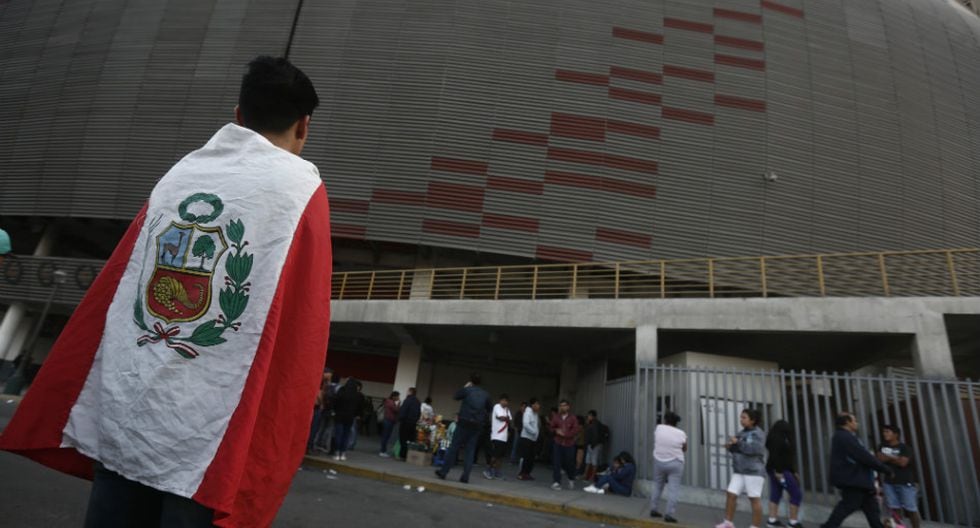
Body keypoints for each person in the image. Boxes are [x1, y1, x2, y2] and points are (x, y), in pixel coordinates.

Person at [0, 56, 331, 528]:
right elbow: (302, 321)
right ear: (304, 126)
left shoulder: (180, 175)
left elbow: (122, 285)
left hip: (129, 413)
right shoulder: (301, 188)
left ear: (238, 114)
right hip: (202, 435)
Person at [820, 412, 893, 528]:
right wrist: (884, 468)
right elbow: (863, 455)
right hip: (853, 480)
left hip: (861, 481)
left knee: (872, 512)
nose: (857, 423)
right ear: (847, 422)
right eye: (854, 421)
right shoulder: (844, 437)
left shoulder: (846, 437)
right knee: (847, 506)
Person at [435, 373, 492, 483]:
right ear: (480, 382)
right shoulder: (485, 394)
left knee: (453, 447)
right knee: (470, 451)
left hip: (463, 422)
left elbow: (455, 396)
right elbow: (489, 409)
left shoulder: (467, 390)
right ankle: (465, 477)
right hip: (476, 425)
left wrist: (465, 387)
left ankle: (443, 472)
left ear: (471, 381)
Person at [716, 409, 767, 528]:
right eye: (741, 417)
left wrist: (737, 443)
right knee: (731, 494)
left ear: (753, 420)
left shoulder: (758, 434)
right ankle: (728, 523)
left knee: (754, 499)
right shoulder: (741, 433)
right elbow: (738, 449)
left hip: (753, 471)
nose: (741, 420)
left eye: (744, 418)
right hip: (739, 470)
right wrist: (730, 447)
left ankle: (755, 526)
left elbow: (755, 450)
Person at [877, 425, 920, 528]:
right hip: (889, 482)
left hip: (905, 482)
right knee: (894, 509)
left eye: (888, 431)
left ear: (896, 434)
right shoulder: (882, 446)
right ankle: (899, 526)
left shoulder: (905, 447)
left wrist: (887, 457)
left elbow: (903, 463)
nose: (885, 434)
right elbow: (879, 459)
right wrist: (896, 458)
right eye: (884, 432)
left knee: (911, 509)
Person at [650, 411, 686, 524]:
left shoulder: (659, 428)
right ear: (676, 423)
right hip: (675, 463)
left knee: (657, 485)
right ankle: (669, 514)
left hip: (659, 461)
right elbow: (684, 449)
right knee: (673, 489)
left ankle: (653, 509)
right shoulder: (681, 433)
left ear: (665, 420)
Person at [766, 420, 803, 528]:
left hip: (776, 470)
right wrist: (779, 471)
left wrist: (793, 471)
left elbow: (786, 458)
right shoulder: (780, 440)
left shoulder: (776, 439)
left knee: (776, 493)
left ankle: (772, 520)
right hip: (781, 471)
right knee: (796, 494)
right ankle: (793, 522)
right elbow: (776, 456)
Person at [550, 399, 582, 491]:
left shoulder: (573, 418)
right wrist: (556, 430)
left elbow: (576, 430)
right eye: (561, 406)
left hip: (569, 444)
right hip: (558, 443)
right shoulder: (556, 417)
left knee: (569, 463)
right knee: (556, 462)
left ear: (568, 407)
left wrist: (566, 434)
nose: (562, 407)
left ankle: (571, 478)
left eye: (564, 405)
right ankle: (556, 482)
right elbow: (551, 427)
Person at [333, 379, 364, 461]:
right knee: (346, 436)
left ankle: (336, 453)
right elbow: (359, 407)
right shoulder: (357, 395)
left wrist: (335, 411)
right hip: (350, 418)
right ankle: (343, 453)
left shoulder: (341, 392)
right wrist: (357, 415)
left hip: (339, 416)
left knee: (338, 435)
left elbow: (335, 402)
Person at [484, 394, 512, 480]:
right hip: (497, 435)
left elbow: (509, 419)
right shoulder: (497, 406)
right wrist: (505, 418)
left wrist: (505, 418)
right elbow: (501, 418)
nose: (504, 402)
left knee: (500, 456)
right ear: (500, 400)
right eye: (503, 400)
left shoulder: (507, 409)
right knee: (495, 455)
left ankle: (497, 472)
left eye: (506, 401)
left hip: (504, 436)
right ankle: (488, 470)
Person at [307, 369, 333, 453]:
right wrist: (322, 403)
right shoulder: (320, 383)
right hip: (316, 407)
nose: (329, 378)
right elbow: (319, 394)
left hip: (317, 407)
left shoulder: (325, 384)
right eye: (328, 375)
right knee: (313, 428)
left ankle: (309, 445)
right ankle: (309, 446)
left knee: (315, 428)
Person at [517, 398, 541, 480]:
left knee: (531, 457)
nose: (538, 406)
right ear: (532, 405)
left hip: (533, 439)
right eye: (537, 404)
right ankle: (521, 473)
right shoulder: (528, 412)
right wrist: (534, 432)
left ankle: (527, 473)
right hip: (526, 438)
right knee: (526, 457)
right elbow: (526, 424)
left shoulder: (535, 414)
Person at [397, 388, 421, 461]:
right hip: (413, 423)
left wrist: (400, 419)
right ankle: (409, 455)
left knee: (403, 439)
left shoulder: (407, 400)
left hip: (405, 422)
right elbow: (419, 413)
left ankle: (402, 455)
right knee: (410, 440)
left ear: (410, 392)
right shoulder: (418, 402)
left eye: (407, 391)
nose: (406, 392)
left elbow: (403, 411)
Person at [583, 410, 605, 482]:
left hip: (595, 445)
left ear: (592, 416)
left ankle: (592, 477)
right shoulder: (591, 423)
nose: (588, 417)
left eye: (588, 416)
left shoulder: (595, 424)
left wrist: (593, 445)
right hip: (592, 445)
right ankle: (585, 475)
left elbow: (595, 435)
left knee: (593, 461)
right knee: (588, 460)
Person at [378, 391, 400, 457]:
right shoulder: (390, 402)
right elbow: (396, 410)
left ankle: (383, 450)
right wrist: (399, 404)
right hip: (388, 421)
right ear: (394, 396)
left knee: (386, 436)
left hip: (388, 421)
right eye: (398, 396)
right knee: (386, 436)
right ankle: (382, 451)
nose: (398, 398)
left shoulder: (389, 401)